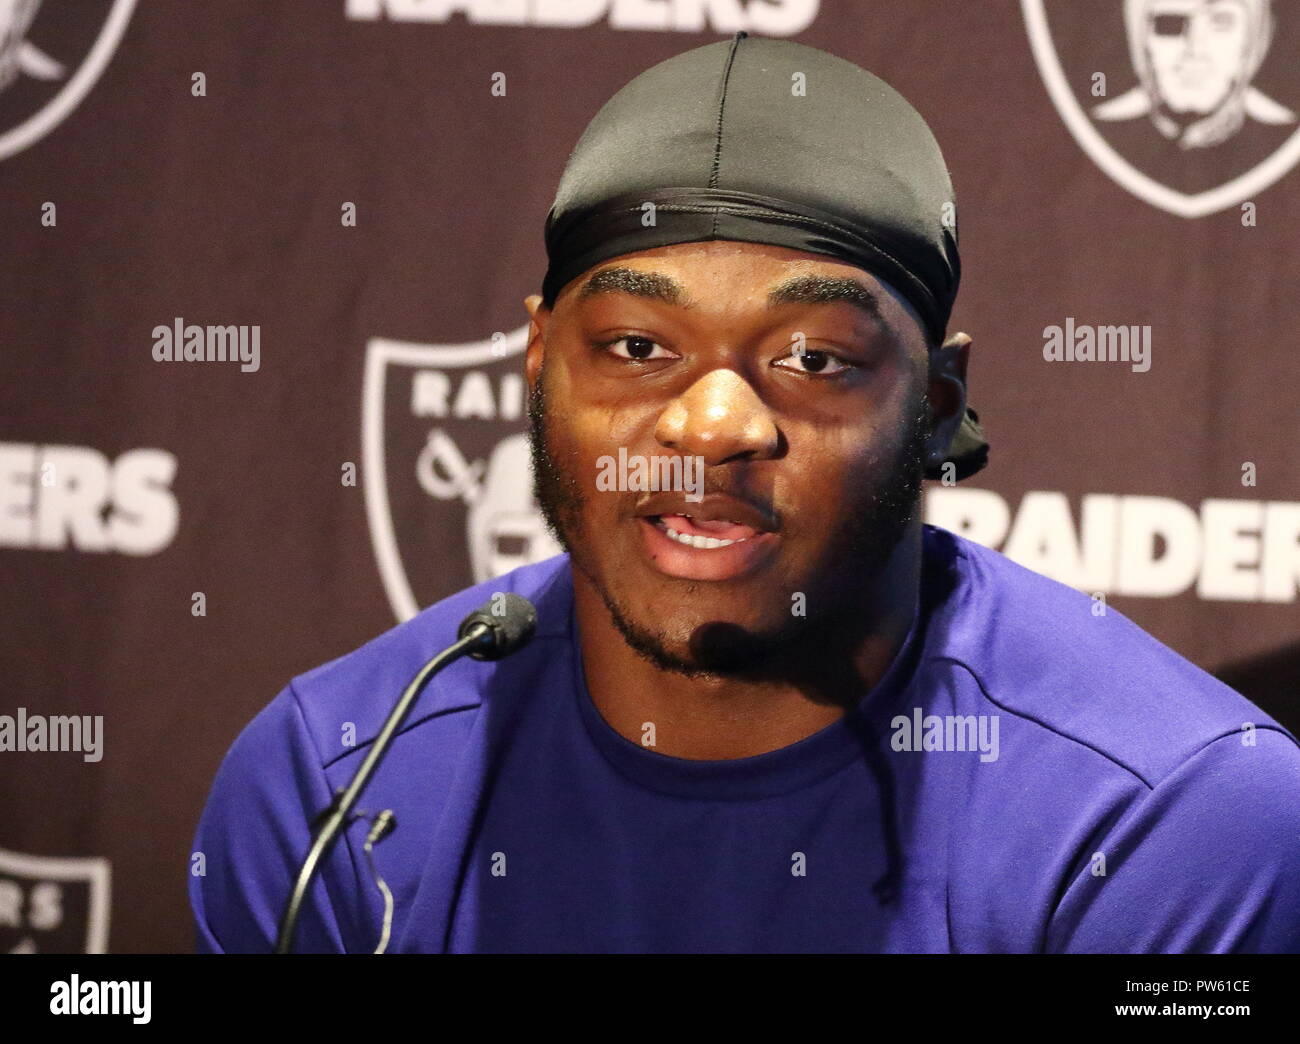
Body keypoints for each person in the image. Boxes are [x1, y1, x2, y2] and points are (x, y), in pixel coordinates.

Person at [189, 32, 1300, 953]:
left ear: (933, 401)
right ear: (537, 364)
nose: (710, 428)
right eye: (634, 345)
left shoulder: (1171, 820)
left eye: (814, 359)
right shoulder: (334, 780)